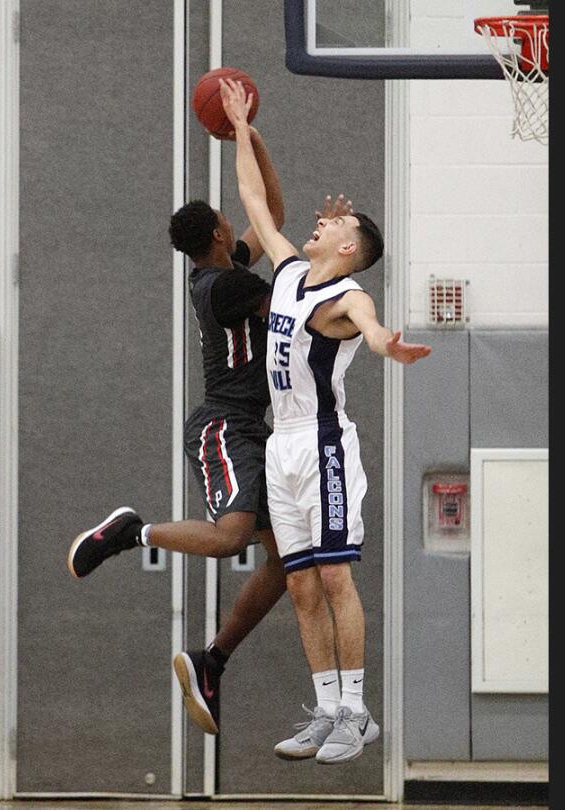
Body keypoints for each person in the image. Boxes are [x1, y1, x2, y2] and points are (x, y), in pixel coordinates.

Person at [65, 123, 355, 737]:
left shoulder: (229, 267)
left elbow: (271, 211)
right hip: (225, 426)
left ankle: (211, 660)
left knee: (285, 562)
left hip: (256, 430)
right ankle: (130, 531)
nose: (240, 226)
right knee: (230, 538)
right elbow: (292, 284)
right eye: (232, 222)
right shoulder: (224, 286)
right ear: (221, 231)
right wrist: (346, 279)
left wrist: (250, 137)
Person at [218, 77, 432, 765]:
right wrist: (240, 128)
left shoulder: (348, 293)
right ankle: (327, 707)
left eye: (336, 225)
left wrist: (385, 344)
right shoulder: (284, 272)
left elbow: (368, 328)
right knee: (302, 583)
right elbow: (253, 197)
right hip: (281, 447)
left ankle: (358, 711)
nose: (322, 221)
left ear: (348, 249)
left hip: (325, 447)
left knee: (336, 578)